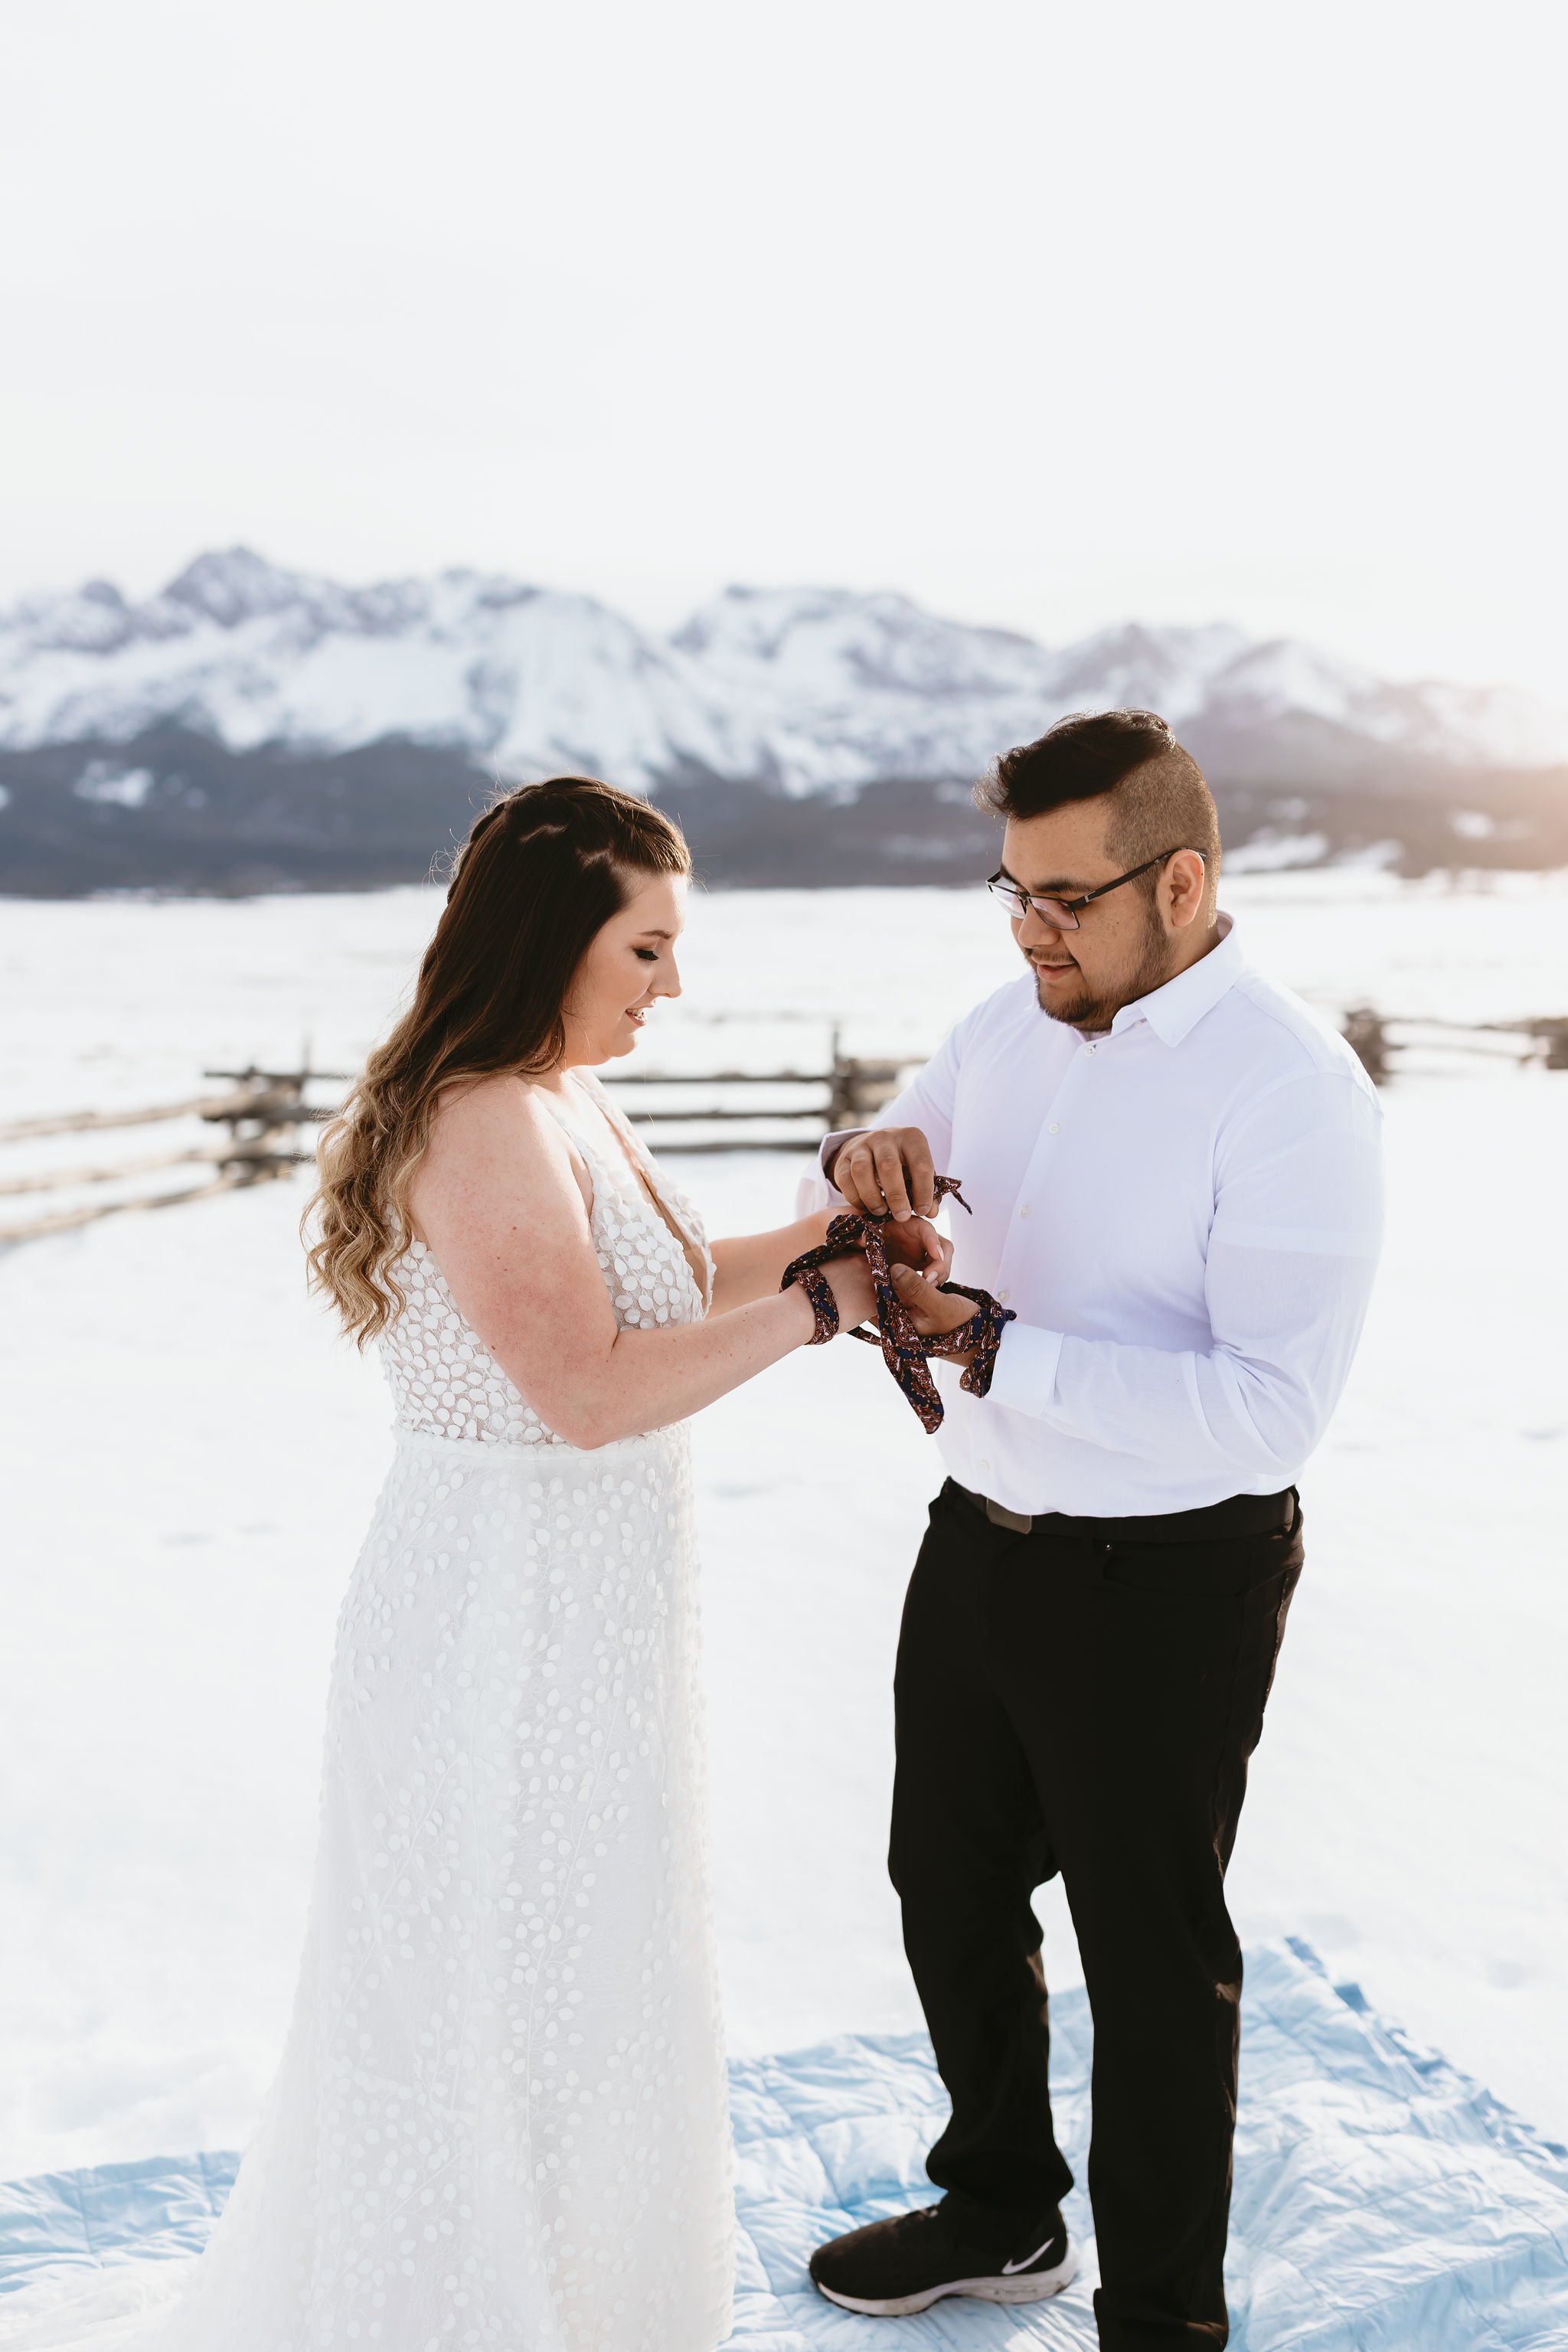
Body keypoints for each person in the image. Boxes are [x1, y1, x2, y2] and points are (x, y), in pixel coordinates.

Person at [8, 776, 949, 2352]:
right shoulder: (481, 1117)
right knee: (486, 1999)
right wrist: (820, 1316)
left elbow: (641, 1288)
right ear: (553, 939)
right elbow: (583, 1390)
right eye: (645, 948)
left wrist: (825, 1258)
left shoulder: (558, 1092)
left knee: (575, 1985)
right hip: (496, 1626)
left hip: (586, 1616)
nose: (672, 984)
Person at [803, 710, 1384, 2348]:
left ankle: (1166, 2322)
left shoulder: (1291, 1093)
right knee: (945, 1881)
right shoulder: (1006, 1022)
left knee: (1147, 1958)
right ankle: (1000, 2210)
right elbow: (876, 1168)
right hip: (978, 1538)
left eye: (1063, 897)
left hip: (1170, 1579)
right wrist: (861, 1156)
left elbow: (1269, 1408)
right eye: (1008, 890)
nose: (1027, 929)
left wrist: (992, 1347)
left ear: (1180, 881)